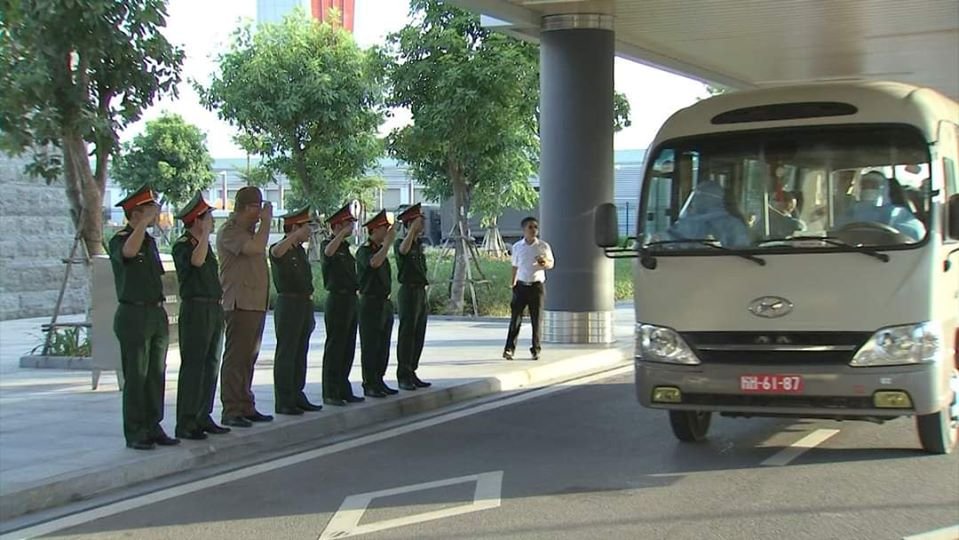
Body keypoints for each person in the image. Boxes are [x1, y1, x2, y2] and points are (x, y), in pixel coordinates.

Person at [108, 185, 179, 450]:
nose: (154, 216)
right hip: (133, 313)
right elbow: (127, 253)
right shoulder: (121, 239)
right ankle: (136, 430)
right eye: (148, 211)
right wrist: (143, 225)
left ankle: (153, 424)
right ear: (134, 214)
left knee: (155, 374)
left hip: (154, 311)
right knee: (136, 375)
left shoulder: (149, 242)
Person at [171, 192, 230, 440]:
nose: (212, 222)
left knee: (211, 364)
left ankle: (203, 415)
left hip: (213, 308)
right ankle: (186, 420)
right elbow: (196, 263)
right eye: (207, 217)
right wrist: (204, 234)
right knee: (194, 365)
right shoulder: (183, 245)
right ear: (197, 220)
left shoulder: (203, 245)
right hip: (195, 309)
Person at [216, 187, 273, 428]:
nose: (259, 213)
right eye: (255, 207)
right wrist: (267, 224)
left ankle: (245, 404)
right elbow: (255, 249)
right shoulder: (231, 231)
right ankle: (231, 408)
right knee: (236, 358)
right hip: (239, 302)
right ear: (245, 207)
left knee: (249, 357)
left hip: (255, 303)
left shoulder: (250, 232)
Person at [269, 207, 323, 415]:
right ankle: (284, 399)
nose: (309, 230)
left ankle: (297, 393)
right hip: (289, 304)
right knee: (287, 352)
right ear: (294, 228)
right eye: (305, 226)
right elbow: (275, 253)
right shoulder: (281, 247)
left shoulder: (300, 250)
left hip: (303, 304)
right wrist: (292, 237)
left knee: (300, 352)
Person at [320, 202, 364, 407]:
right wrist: (340, 235)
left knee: (348, 346)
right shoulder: (328, 244)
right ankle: (330, 390)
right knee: (336, 346)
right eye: (347, 224)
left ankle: (343, 387)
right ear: (337, 226)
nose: (351, 228)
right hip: (337, 299)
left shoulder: (345, 248)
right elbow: (328, 253)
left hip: (350, 299)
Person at [356, 210, 397, 398]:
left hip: (384, 303)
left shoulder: (381, 250)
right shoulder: (364, 251)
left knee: (383, 346)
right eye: (385, 228)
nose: (388, 231)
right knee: (370, 346)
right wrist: (387, 244)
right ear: (375, 230)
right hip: (370, 303)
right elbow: (374, 264)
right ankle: (369, 383)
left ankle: (379, 380)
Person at [503, 217, 554, 361]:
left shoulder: (543, 246)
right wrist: (512, 283)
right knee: (515, 319)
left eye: (535, 227)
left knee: (536, 320)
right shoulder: (517, 247)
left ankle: (535, 349)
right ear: (524, 229)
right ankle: (509, 349)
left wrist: (544, 263)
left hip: (536, 286)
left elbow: (551, 264)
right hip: (520, 286)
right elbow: (514, 266)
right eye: (530, 227)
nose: (533, 230)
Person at [393, 203, 432, 391]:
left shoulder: (418, 243)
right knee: (407, 334)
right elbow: (403, 251)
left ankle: (412, 370)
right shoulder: (402, 242)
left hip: (419, 291)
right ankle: (403, 374)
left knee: (419, 334)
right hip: (408, 292)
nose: (423, 223)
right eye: (419, 220)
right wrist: (411, 232)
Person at [835, 171, 927, 241]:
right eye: (865, 185)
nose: (868, 188)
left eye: (873, 185)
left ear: (884, 188)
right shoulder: (851, 212)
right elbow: (836, 233)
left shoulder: (897, 213)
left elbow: (916, 235)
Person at [664, 180, 751, 247]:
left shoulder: (732, 225)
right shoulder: (690, 222)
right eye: (695, 195)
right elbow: (672, 238)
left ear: (711, 199)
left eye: (699, 195)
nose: (694, 200)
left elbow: (742, 252)